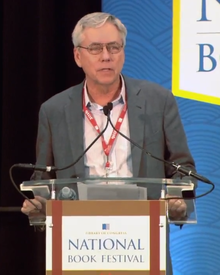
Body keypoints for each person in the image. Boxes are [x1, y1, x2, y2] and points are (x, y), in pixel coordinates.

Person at [21, 12, 196, 274]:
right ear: (78, 56)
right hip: (78, 245)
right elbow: (42, 178)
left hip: (141, 242)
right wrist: (38, 203)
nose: (106, 56)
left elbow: (182, 167)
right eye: (95, 48)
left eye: (114, 47)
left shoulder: (158, 101)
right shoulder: (54, 110)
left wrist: (179, 202)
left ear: (123, 52)